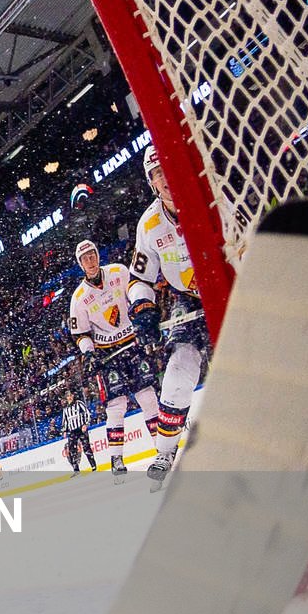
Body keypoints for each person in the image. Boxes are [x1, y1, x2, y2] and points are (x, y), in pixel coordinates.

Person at [128, 146, 209, 491]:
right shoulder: (148, 223)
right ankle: (165, 451)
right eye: (156, 173)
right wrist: (144, 310)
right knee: (178, 372)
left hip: (226, 285)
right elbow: (139, 279)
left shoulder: (204, 192)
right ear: (151, 182)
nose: (164, 178)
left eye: (166, 168)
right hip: (186, 299)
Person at [66, 238, 162, 477]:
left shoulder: (119, 271)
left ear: (98, 255)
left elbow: (138, 291)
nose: (90, 260)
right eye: (85, 258)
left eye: (92, 254)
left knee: (148, 397)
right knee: (116, 406)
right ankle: (117, 458)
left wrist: (144, 314)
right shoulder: (78, 298)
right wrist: (89, 353)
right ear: (80, 263)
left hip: (132, 343)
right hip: (107, 354)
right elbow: (80, 334)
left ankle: (162, 450)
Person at [61, 389, 94, 475]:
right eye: (68, 396)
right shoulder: (65, 409)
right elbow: (65, 421)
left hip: (81, 429)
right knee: (72, 450)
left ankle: (93, 466)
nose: (70, 397)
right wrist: (64, 430)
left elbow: (87, 413)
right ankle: (76, 470)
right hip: (72, 431)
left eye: (71, 395)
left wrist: (86, 424)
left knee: (86, 447)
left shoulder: (79, 403)